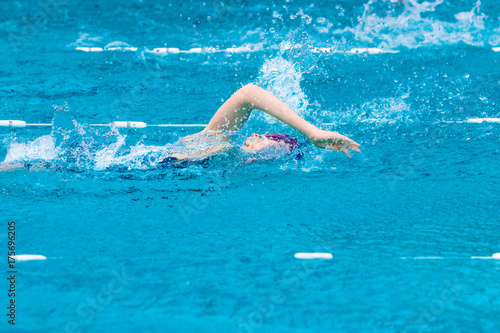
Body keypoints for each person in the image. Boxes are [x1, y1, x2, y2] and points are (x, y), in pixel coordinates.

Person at [166, 84, 360, 162]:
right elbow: (249, 93)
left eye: (277, 154)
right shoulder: (215, 138)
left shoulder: (231, 164)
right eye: (275, 146)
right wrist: (313, 133)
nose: (269, 155)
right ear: (255, 137)